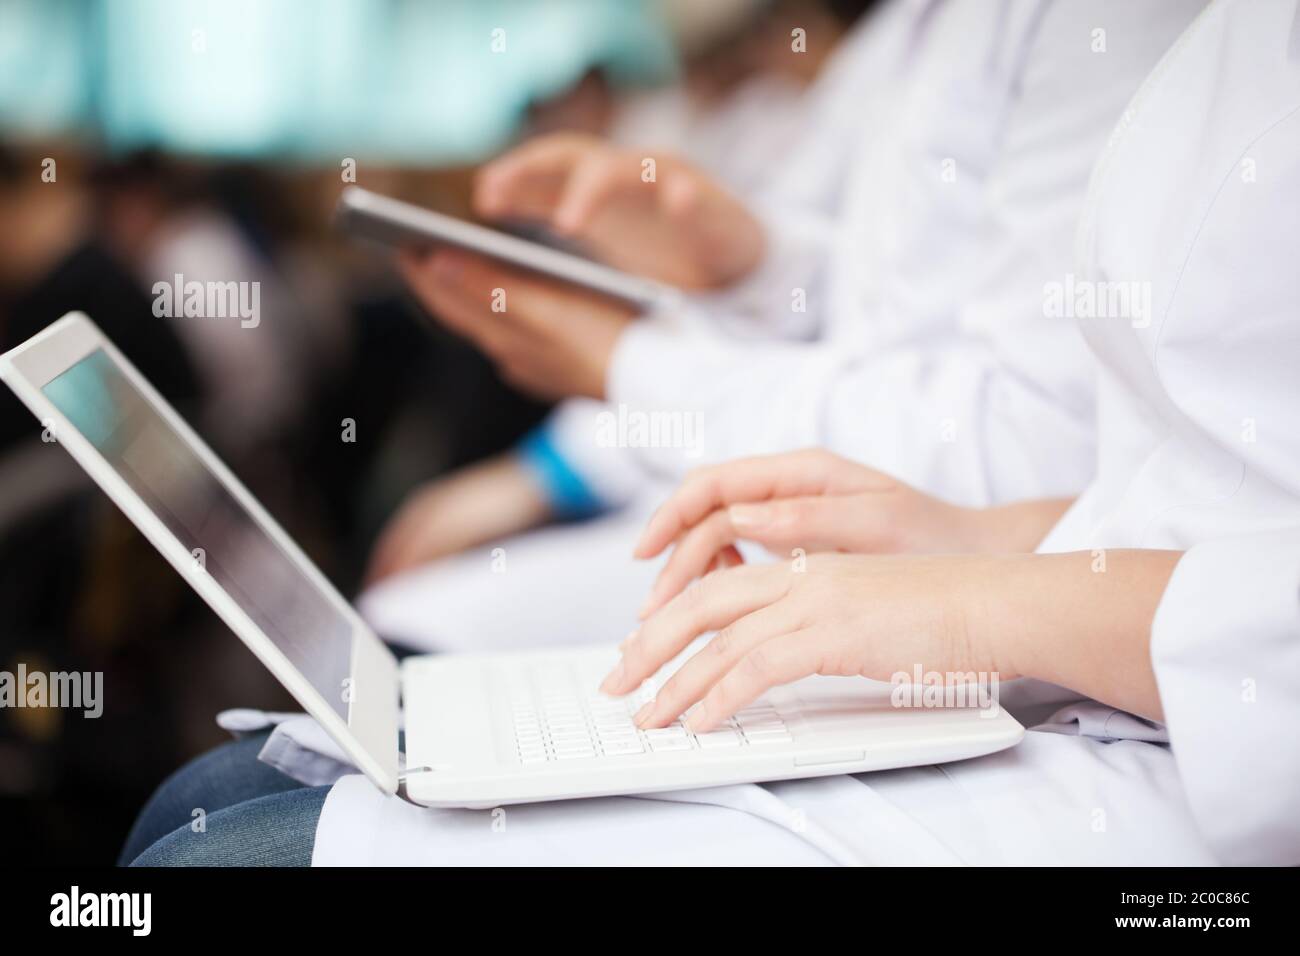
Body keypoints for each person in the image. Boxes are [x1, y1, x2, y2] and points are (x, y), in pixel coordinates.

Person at [121, 0, 1300, 866]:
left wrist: (986, 590)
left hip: (1195, 768)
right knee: (223, 798)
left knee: (216, 841)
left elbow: (1043, 418)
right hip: (1079, 640)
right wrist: (752, 271)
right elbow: (1169, 454)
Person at [357, 0, 1201, 653]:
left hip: (947, 598)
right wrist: (751, 266)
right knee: (373, 662)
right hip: (824, 523)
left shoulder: (1107, 28)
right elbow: (881, 302)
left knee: (388, 658)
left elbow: (1032, 453)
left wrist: (624, 373)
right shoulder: (903, 41)